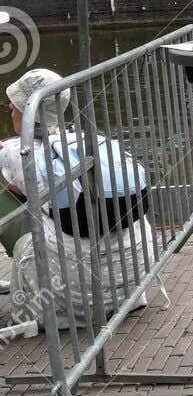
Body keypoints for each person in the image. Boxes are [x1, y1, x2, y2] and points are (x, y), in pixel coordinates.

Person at [0, 67, 154, 328]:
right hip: (129, 286)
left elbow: (14, 190)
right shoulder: (90, 143)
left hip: (72, 299)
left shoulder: (17, 154)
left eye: (13, 106)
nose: (10, 111)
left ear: (26, 111)